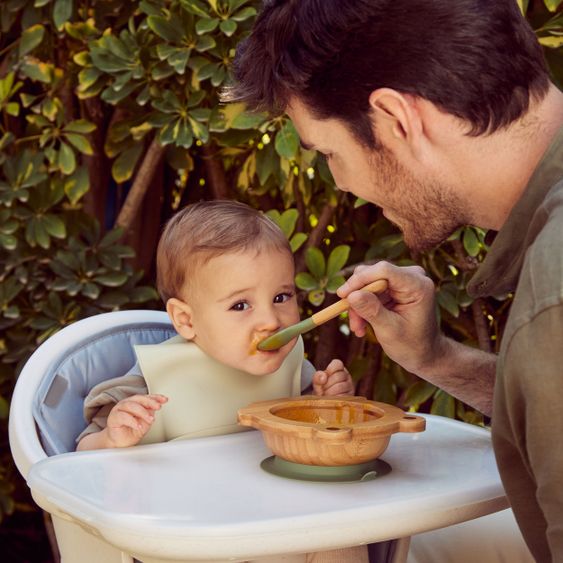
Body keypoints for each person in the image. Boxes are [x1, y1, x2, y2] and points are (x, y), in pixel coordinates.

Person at [225, 1, 563, 561]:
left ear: (396, 120)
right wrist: (437, 359)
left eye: (328, 152)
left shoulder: (553, 298)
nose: (340, 184)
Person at [76, 200, 355, 451]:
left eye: (281, 297)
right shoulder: (151, 380)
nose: (271, 321)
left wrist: (327, 403)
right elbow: (81, 455)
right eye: (240, 305)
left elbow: (315, 432)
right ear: (186, 320)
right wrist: (111, 439)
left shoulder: (295, 371)